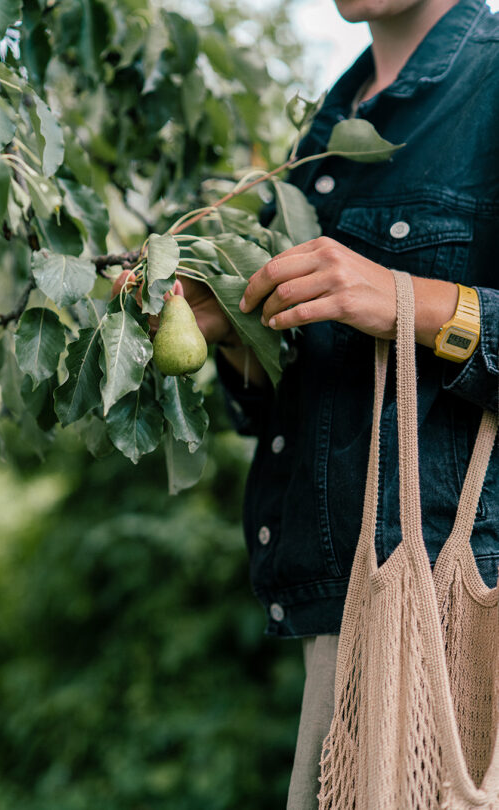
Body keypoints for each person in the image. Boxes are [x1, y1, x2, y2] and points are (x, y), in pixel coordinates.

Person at [116, 0, 499, 803]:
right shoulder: (323, 135)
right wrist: (232, 330)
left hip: (456, 618)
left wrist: (405, 297)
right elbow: (301, 404)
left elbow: (398, 311)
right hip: (344, 624)